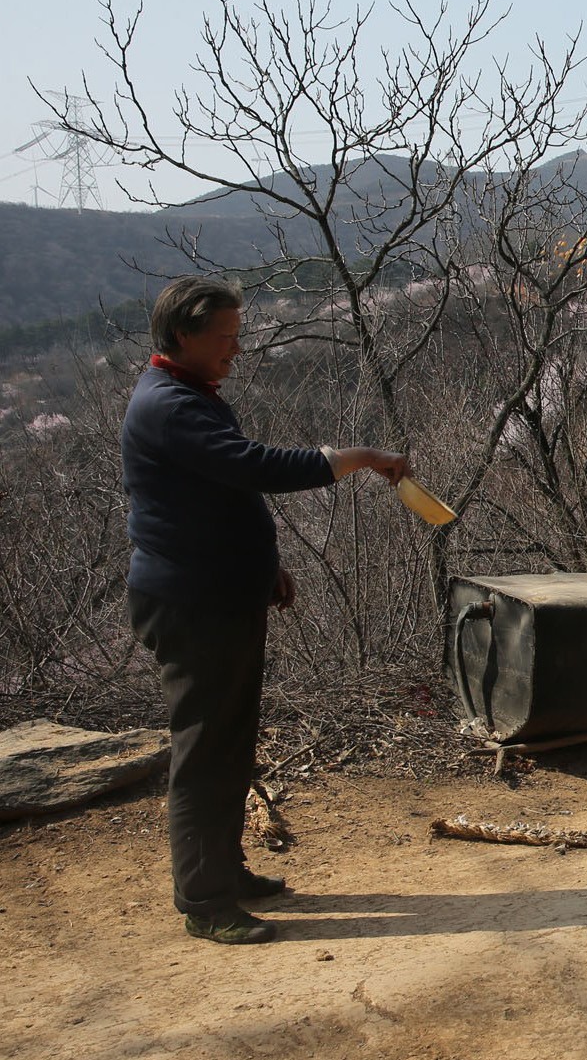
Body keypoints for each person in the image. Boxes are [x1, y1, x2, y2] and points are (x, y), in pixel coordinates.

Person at [121, 276, 410, 945]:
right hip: (193, 604)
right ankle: (206, 897)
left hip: (221, 592)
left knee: (230, 741)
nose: (235, 348)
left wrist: (263, 567)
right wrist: (358, 457)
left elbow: (219, 494)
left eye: (236, 334)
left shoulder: (190, 394)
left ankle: (224, 869)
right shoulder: (170, 406)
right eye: (224, 337)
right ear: (184, 336)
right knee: (206, 750)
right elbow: (254, 467)